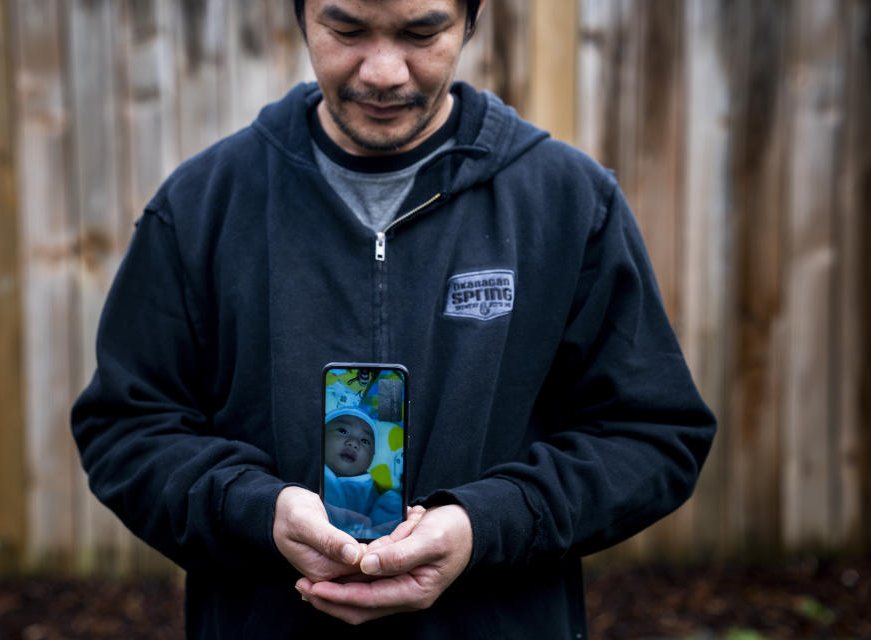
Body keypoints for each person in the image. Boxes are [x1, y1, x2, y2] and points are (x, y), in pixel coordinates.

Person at [70, 0, 716, 637]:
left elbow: (654, 435)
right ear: (300, 14)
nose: (382, 71)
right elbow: (126, 429)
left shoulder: (569, 206)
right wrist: (256, 512)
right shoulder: (200, 208)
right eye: (346, 28)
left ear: (472, 17)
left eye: (421, 32)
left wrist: (484, 524)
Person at [322, 408, 403, 539]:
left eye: (365, 441)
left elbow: (384, 526)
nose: (354, 443)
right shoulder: (310, 470)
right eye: (343, 431)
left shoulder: (369, 491)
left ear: (372, 457)